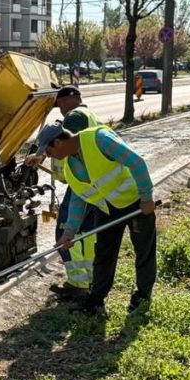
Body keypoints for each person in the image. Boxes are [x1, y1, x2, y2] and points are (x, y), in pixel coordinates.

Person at [36, 121, 157, 315]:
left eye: (48, 151)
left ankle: (142, 297)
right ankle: (96, 301)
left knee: (144, 251)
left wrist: (146, 197)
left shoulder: (99, 139)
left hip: (136, 203)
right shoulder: (70, 168)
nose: (49, 156)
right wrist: (69, 233)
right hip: (107, 210)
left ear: (58, 142)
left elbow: (136, 162)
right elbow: (78, 200)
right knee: (103, 255)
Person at [25, 86, 100, 299]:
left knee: (66, 232)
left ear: (69, 100)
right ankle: (88, 282)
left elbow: (63, 140)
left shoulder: (75, 116)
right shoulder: (88, 114)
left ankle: (78, 284)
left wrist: (41, 155)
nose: (60, 108)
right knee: (86, 234)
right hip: (91, 183)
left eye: (60, 103)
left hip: (81, 184)